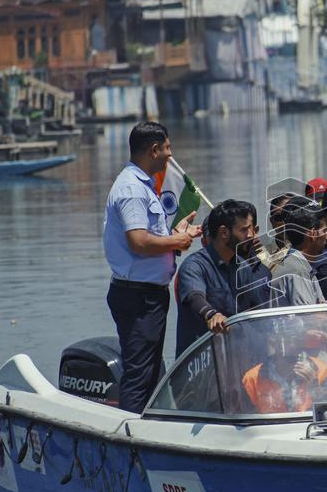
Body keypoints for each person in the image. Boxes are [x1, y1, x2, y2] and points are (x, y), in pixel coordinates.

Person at [103, 121, 202, 413]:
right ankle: (129, 436)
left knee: (149, 372)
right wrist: (176, 242)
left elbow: (150, 235)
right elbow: (138, 241)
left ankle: (144, 428)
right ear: (154, 149)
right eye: (167, 148)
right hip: (138, 296)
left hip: (147, 294)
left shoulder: (141, 184)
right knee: (139, 374)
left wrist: (179, 234)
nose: (170, 155)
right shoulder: (132, 189)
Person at [174, 200, 270, 357]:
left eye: (251, 229)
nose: (251, 235)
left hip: (234, 360)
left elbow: (256, 313)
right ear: (224, 233)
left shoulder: (243, 268)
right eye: (244, 230)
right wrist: (211, 314)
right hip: (200, 365)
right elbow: (194, 296)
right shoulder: (194, 266)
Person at [242, 317, 327, 413]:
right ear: (273, 342)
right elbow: (246, 420)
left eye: (297, 339)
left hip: (308, 426)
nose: (293, 345)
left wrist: (315, 389)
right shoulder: (252, 378)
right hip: (273, 427)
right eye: (286, 340)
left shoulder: (321, 370)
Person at [268, 196, 327, 307]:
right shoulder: (297, 271)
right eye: (325, 231)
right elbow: (310, 321)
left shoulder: (302, 266)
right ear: (313, 234)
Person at [259, 192, 297, 272]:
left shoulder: (308, 247)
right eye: (278, 217)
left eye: (288, 215)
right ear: (272, 222)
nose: (284, 222)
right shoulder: (261, 254)